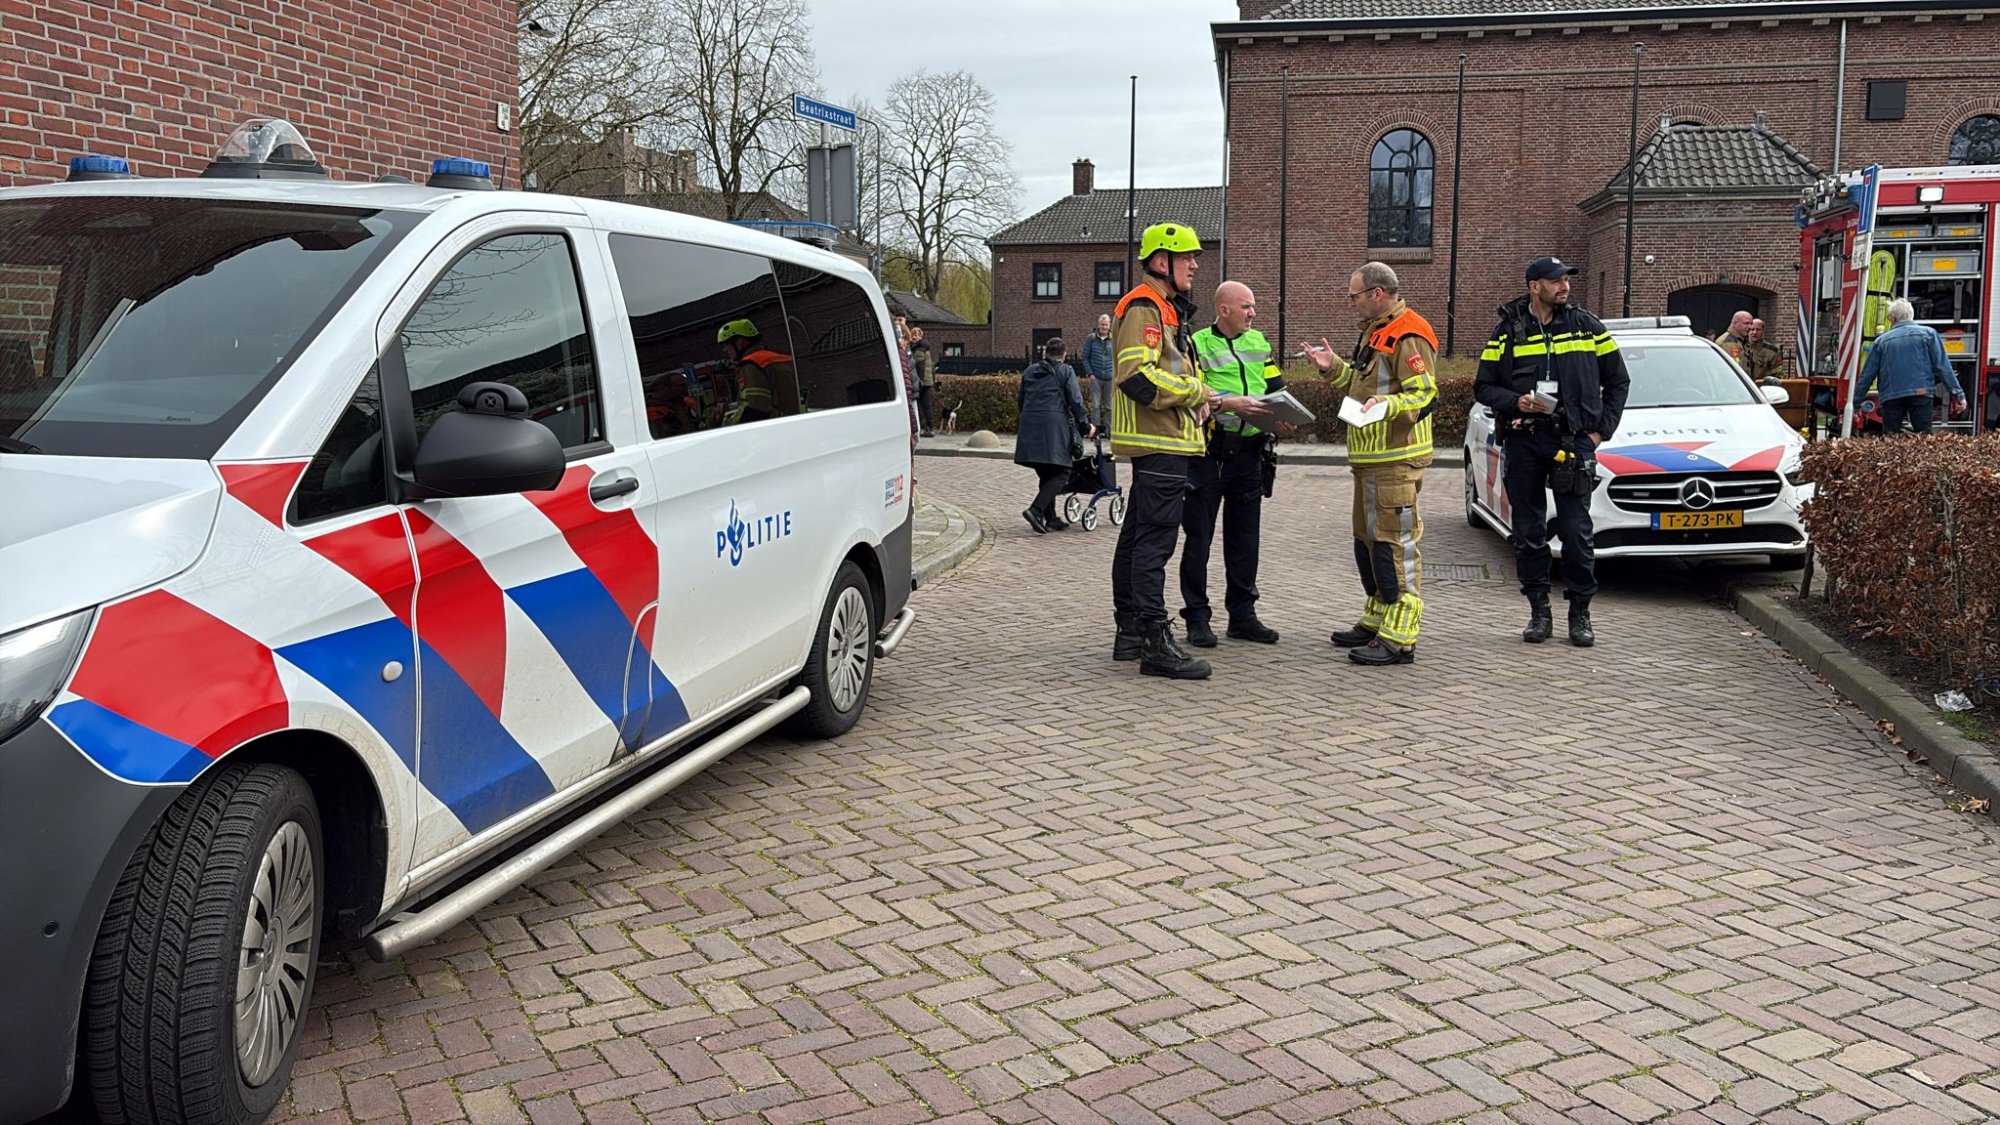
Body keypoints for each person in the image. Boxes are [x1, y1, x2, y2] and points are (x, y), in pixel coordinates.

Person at [1108, 222, 1268, 679]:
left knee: (1138, 538)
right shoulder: (1145, 307)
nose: (1196, 265)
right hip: (1158, 442)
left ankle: (1132, 633)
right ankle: (1154, 640)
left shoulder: (1164, 308)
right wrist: (1197, 393)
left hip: (1163, 441)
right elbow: (1136, 377)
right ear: (1162, 262)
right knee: (1154, 544)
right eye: (1188, 257)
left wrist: (1196, 396)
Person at [1473, 256, 1631, 648]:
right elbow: (1484, 387)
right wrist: (1515, 402)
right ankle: (1538, 612)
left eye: (1566, 281)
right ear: (1534, 286)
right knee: (1529, 532)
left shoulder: (1588, 327)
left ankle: (1580, 614)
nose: (1565, 287)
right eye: (1556, 281)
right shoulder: (1508, 332)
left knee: (1577, 532)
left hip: (1574, 440)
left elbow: (1618, 382)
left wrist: (1598, 434)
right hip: (1525, 439)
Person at [1299, 262, 1438, 666]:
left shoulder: (1408, 332)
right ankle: (1377, 618)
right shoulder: (1377, 333)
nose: (1351, 303)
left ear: (1378, 294)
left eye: (1354, 295)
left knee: (1395, 545)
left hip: (1396, 459)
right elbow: (1363, 390)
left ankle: (1400, 637)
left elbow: (1422, 394)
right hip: (1370, 460)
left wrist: (1389, 404)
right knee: (1368, 543)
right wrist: (1334, 369)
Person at [1179, 280, 1284, 648]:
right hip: (1209, 454)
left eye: (1253, 306)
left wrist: (1281, 413)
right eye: (1246, 307)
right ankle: (1197, 617)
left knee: (1245, 539)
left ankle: (1242, 615)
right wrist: (1230, 404)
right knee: (1199, 539)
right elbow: (1195, 395)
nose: (1253, 313)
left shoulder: (1258, 343)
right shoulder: (1198, 344)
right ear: (1223, 309)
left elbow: (1275, 387)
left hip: (1250, 453)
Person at [1015, 337, 1094, 532]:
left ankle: (1051, 518)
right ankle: (1036, 509)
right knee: (1062, 471)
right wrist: (1085, 426)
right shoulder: (1065, 371)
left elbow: (1021, 400)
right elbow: (1075, 401)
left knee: (1046, 472)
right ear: (1064, 355)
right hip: (1054, 426)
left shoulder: (1030, 371)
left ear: (1045, 353)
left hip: (1029, 425)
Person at [1858, 298, 1967, 434]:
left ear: (1893, 318)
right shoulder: (1929, 334)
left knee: (1890, 441)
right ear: (1911, 315)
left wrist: (1856, 402)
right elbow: (1943, 367)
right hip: (1921, 393)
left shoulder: (1881, 341)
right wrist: (1958, 395)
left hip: (1891, 396)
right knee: (1923, 439)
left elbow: (1867, 375)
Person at [717, 319, 799, 424]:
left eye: (726, 344)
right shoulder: (779, 358)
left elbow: (756, 409)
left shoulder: (751, 365)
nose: (725, 349)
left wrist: (728, 422)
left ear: (739, 342)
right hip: (797, 421)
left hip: (776, 428)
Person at [1080, 313, 1116, 433]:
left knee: (1109, 407)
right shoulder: (1091, 339)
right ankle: (1096, 432)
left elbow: (1117, 357)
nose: (1104, 327)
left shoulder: (1114, 338)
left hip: (1110, 378)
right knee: (1095, 406)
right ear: (1098, 325)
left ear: (1109, 325)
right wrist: (1090, 374)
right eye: (1102, 325)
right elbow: (1085, 357)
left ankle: (1108, 432)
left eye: (1106, 325)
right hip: (1096, 377)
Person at [910, 326, 937, 436]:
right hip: (928, 381)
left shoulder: (919, 349)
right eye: (913, 335)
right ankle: (930, 427)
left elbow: (919, 365)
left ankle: (927, 428)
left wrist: (919, 380)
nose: (915, 337)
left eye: (917, 335)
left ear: (921, 336)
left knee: (922, 405)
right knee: (926, 405)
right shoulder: (925, 347)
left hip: (923, 382)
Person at [1741, 318, 1785, 384]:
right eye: (1752, 329)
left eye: (1758, 330)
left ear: (1763, 331)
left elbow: (1778, 374)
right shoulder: (1740, 347)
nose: (1755, 332)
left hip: (1762, 387)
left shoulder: (1772, 351)